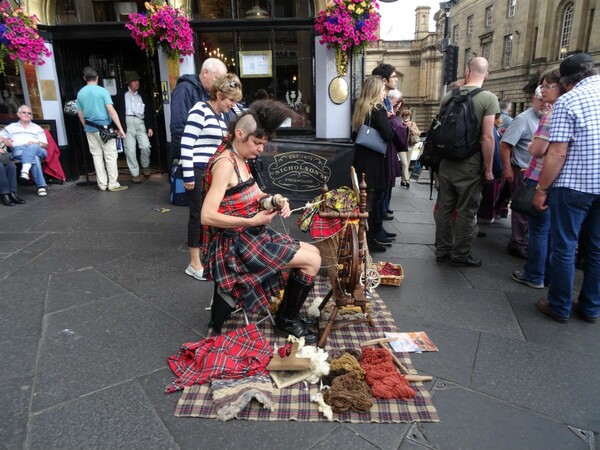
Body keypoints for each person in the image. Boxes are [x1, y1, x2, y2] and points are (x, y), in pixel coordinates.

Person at [200, 100, 321, 342]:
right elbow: (206, 215)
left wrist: (276, 199)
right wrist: (252, 221)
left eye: (263, 144)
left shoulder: (242, 160)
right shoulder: (225, 164)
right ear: (239, 134)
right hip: (235, 250)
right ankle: (286, 321)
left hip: (251, 237)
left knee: (314, 252)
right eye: (256, 143)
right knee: (311, 262)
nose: (260, 149)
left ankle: (289, 314)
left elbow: (256, 196)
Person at [533, 53, 600, 324]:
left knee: (565, 246)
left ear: (567, 82)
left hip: (574, 185)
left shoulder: (569, 100)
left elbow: (557, 153)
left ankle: (559, 305)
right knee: (596, 248)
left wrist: (541, 189)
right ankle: (590, 307)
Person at [434, 57, 499, 267]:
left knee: (444, 207)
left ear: (466, 72)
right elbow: (488, 137)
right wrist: (488, 169)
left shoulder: (448, 97)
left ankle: (442, 250)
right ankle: (460, 254)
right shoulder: (488, 98)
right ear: (486, 75)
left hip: (446, 163)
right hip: (470, 164)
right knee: (466, 210)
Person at [181, 74, 243, 282]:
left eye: (234, 101)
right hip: (198, 171)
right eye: (230, 100)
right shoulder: (200, 110)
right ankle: (194, 263)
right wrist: (188, 175)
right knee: (198, 215)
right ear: (218, 95)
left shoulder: (219, 115)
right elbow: (187, 143)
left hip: (212, 172)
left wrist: (236, 107)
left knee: (213, 214)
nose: (232, 105)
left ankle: (209, 257)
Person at [512, 69, 563, 290]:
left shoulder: (552, 115)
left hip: (540, 177)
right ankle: (549, 275)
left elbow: (537, 149)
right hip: (561, 181)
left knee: (539, 230)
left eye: (545, 86)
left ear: (556, 87)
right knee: (551, 231)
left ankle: (534, 275)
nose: (541, 92)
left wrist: (534, 143)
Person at [500, 87, 550, 260]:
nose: (544, 103)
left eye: (547, 100)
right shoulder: (522, 119)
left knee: (535, 211)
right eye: (540, 99)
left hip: (543, 174)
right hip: (523, 171)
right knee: (522, 210)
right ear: (533, 99)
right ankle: (518, 243)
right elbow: (505, 145)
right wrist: (507, 169)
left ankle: (526, 242)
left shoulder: (551, 118)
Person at [351, 75, 395, 253]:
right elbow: (389, 135)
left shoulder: (361, 108)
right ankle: (368, 239)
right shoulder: (378, 109)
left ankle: (366, 237)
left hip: (361, 159)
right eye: (382, 89)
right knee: (371, 200)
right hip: (374, 161)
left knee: (363, 200)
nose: (384, 93)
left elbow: (355, 136)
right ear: (376, 90)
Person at [76, 66, 128, 192]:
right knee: (110, 156)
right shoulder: (102, 91)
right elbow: (111, 110)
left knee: (97, 156)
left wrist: (86, 127)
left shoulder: (80, 93)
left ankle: (102, 184)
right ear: (97, 77)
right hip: (104, 128)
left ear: (84, 78)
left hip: (90, 129)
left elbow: (80, 114)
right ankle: (113, 184)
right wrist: (120, 128)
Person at [170, 58, 228, 163]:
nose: (220, 84)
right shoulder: (184, 89)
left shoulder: (210, 93)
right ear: (205, 73)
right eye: (217, 78)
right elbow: (178, 125)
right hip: (193, 160)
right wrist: (184, 159)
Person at [114, 71, 156, 183]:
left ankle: (145, 166)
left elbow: (149, 111)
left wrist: (150, 126)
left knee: (146, 146)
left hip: (140, 122)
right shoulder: (121, 94)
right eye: (134, 81)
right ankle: (135, 174)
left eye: (138, 81)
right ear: (129, 83)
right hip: (126, 122)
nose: (137, 83)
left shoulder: (143, 94)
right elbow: (115, 111)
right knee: (130, 150)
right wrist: (117, 127)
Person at [0, 105, 49, 197]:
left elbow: (45, 145)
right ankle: (41, 186)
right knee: (33, 158)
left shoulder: (37, 128)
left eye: (29, 113)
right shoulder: (11, 127)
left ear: (31, 116)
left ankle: (25, 171)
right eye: (24, 112)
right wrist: (5, 140)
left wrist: (36, 143)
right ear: (18, 114)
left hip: (38, 149)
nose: (27, 114)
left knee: (32, 146)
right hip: (19, 151)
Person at [400, 108, 421, 188]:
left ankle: (403, 180)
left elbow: (419, 133)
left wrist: (412, 130)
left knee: (407, 164)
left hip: (410, 146)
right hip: (402, 146)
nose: (406, 118)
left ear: (410, 117)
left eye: (407, 116)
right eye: (404, 116)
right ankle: (407, 180)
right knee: (404, 163)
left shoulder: (413, 124)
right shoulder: (400, 124)